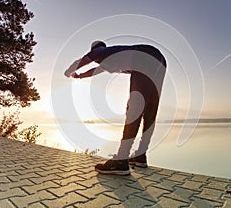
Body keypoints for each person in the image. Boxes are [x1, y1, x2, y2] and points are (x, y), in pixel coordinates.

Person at [64, 41, 166, 175]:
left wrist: (69, 71)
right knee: (150, 108)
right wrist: (79, 76)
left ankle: (121, 160)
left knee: (135, 108)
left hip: (143, 56)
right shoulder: (108, 60)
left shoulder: (99, 51)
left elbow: (82, 61)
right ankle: (140, 156)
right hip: (160, 60)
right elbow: (94, 71)